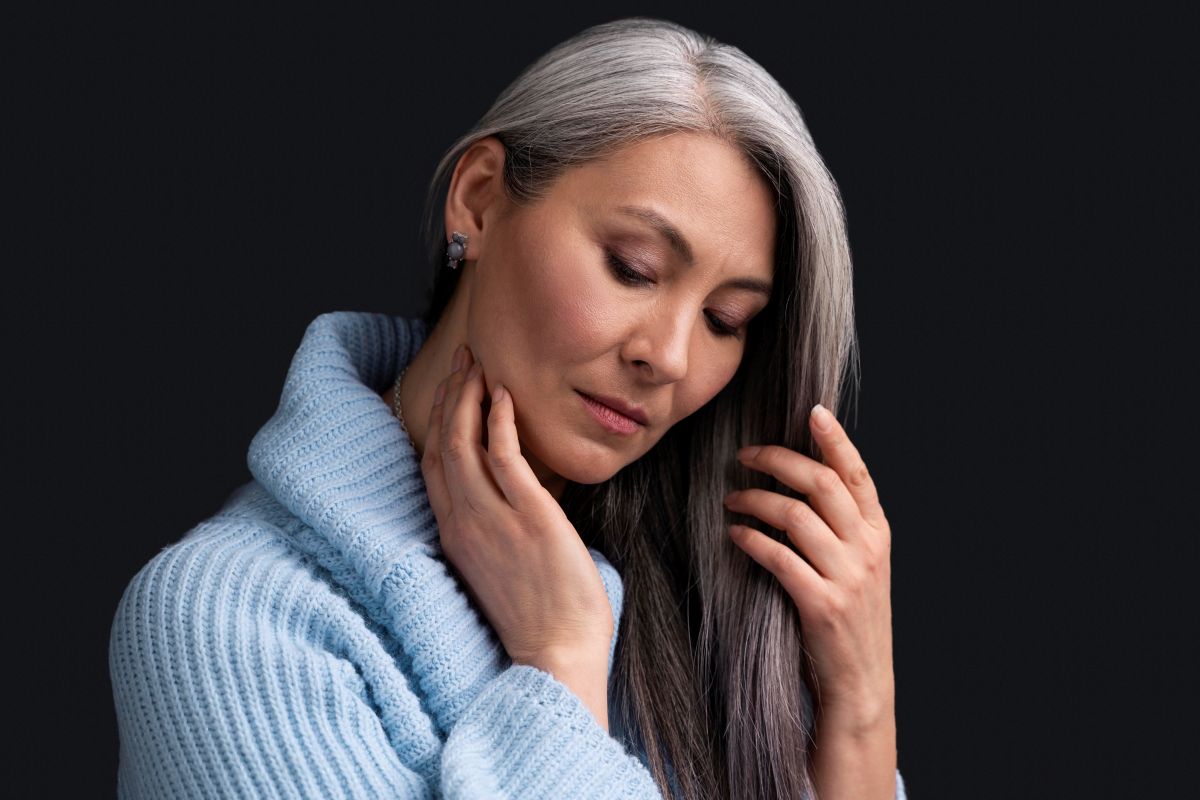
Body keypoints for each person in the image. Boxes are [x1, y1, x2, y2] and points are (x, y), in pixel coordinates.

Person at [109, 16, 908, 799]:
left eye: (724, 321)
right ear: (480, 200)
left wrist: (862, 713)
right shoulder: (223, 621)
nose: (667, 357)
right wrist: (561, 660)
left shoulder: (725, 603)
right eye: (633, 268)